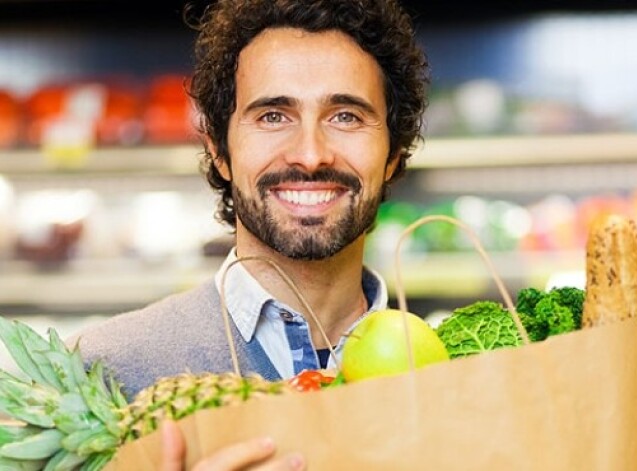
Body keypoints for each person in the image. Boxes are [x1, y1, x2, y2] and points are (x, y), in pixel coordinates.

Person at [73, 0, 429, 469]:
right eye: (273, 116)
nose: (309, 154)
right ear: (220, 150)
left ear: (394, 155)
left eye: (345, 116)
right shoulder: (107, 371)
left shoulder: (460, 374)